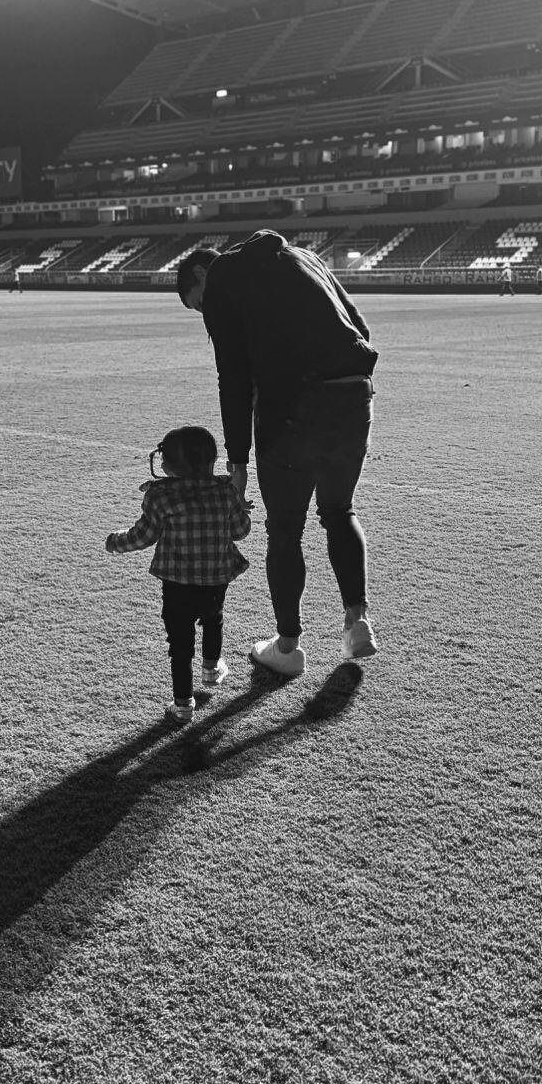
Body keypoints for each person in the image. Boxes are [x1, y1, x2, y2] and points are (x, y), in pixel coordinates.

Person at [177, 230, 378, 678]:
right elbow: (359, 327)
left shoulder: (224, 277)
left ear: (202, 272)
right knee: (339, 510)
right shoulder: (305, 256)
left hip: (292, 407)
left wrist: (237, 462)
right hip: (354, 395)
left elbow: (233, 376)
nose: (207, 314)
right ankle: (357, 621)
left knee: (285, 529)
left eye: (200, 304)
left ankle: (288, 648)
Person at [106, 425, 252, 724]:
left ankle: (183, 705)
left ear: (169, 464)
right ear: (211, 461)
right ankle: (211, 669)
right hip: (216, 576)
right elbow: (240, 531)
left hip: (176, 583)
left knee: (180, 644)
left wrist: (115, 541)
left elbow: (143, 536)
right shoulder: (226, 491)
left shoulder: (161, 495)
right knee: (214, 618)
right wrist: (238, 509)